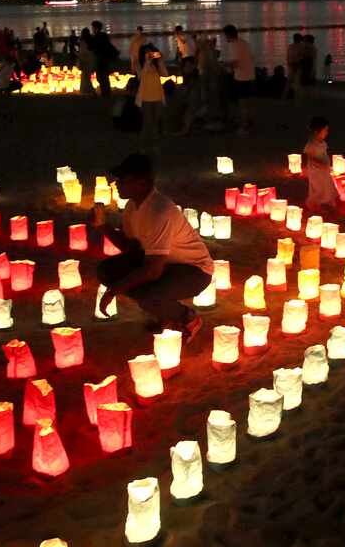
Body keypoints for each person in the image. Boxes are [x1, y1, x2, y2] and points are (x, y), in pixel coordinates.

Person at [97, 154, 213, 342]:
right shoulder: (132, 207)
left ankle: (188, 318)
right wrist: (103, 226)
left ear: (142, 183)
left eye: (123, 180)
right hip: (163, 264)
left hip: (194, 271)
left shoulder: (159, 211)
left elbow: (152, 270)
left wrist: (113, 291)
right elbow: (130, 247)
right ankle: (163, 312)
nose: (116, 184)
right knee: (107, 271)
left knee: (149, 295)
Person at [222, 25, 255, 134]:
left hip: (241, 77)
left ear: (228, 34)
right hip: (250, 75)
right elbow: (251, 57)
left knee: (242, 103)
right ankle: (249, 122)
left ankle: (244, 127)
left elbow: (235, 62)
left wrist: (224, 64)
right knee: (248, 101)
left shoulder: (233, 45)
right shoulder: (244, 42)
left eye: (225, 35)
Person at [136, 43, 169, 147]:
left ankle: (154, 143)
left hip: (158, 97)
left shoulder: (156, 65)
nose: (149, 54)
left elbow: (165, 74)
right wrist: (147, 62)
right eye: (146, 52)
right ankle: (143, 144)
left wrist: (160, 60)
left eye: (150, 52)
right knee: (147, 123)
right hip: (145, 98)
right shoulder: (139, 64)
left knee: (156, 122)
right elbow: (141, 76)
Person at [304, 116, 336, 213]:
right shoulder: (312, 144)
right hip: (316, 171)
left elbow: (324, 154)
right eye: (325, 130)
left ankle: (329, 200)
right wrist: (319, 163)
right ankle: (313, 203)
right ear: (317, 132)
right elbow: (310, 157)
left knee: (327, 185)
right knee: (317, 188)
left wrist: (327, 165)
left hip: (324, 170)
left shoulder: (322, 143)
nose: (327, 132)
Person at [90, 21, 117, 97]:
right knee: (104, 77)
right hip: (104, 59)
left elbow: (93, 47)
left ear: (96, 28)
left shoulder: (98, 37)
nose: (92, 29)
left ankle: (105, 93)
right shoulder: (103, 36)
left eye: (93, 28)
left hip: (101, 59)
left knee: (101, 77)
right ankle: (106, 92)